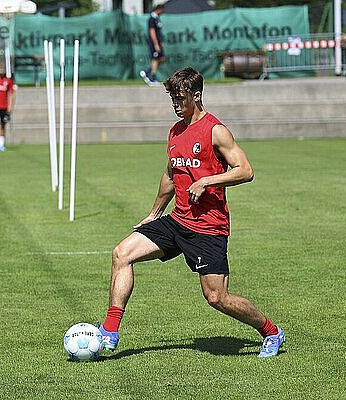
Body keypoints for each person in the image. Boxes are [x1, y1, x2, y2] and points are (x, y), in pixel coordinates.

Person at [98, 67, 285, 358]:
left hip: (208, 228)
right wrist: (154, 213)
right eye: (172, 98)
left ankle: (271, 332)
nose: (175, 103)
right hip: (177, 220)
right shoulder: (175, 131)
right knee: (122, 254)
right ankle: (109, 331)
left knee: (216, 297)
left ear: (196, 96)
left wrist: (208, 180)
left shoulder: (215, 130)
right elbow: (171, 175)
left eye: (180, 98)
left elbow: (246, 171)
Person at [139, 4, 165, 86]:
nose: (163, 12)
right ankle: (153, 77)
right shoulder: (152, 19)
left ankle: (146, 72)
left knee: (162, 59)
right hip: (154, 43)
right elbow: (152, 32)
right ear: (158, 9)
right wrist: (156, 44)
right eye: (162, 10)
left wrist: (160, 43)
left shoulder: (157, 18)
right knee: (155, 59)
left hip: (158, 43)